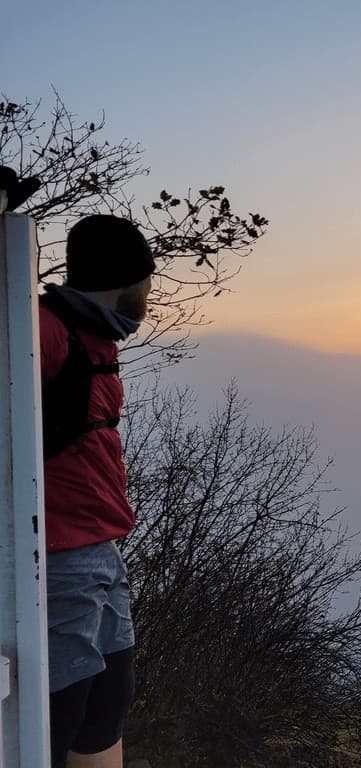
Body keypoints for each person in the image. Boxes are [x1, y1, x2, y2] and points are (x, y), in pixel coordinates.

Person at [40, 214, 154, 768]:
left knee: (107, 702)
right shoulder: (46, 330)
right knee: (58, 712)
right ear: (126, 279)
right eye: (147, 280)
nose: (150, 293)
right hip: (60, 556)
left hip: (101, 548)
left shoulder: (91, 336)